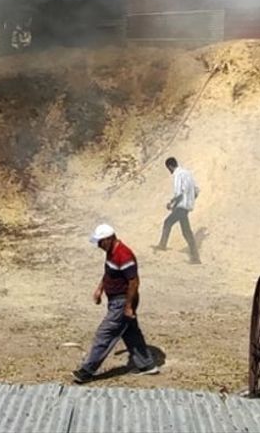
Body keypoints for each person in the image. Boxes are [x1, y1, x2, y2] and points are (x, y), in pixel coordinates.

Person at [72, 223, 159, 384]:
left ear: (110, 238)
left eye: (100, 241)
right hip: (116, 300)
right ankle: (147, 365)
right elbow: (109, 273)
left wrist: (128, 306)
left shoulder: (123, 255)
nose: (98, 245)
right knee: (130, 332)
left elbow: (134, 282)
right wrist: (100, 289)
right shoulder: (111, 252)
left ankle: (87, 370)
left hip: (123, 300)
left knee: (105, 334)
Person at [153, 157, 200, 264]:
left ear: (170, 166)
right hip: (187, 205)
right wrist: (190, 200)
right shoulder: (188, 173)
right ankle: (195, 256)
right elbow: (196, 190)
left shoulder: (177, 174)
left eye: (168, 169)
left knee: (169, 223)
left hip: (181, 205)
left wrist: (171, 203)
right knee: (185, 230)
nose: (169, 171)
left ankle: (162, 245)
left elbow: (178, 192)